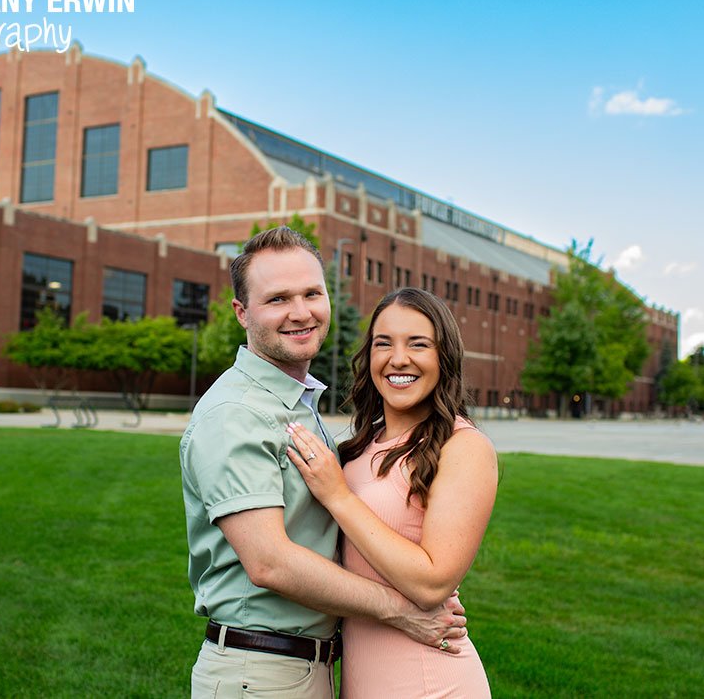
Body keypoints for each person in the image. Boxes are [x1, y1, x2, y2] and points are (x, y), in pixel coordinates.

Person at [181, 228, 468, 698]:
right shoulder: (235, 414)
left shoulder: (294, 404)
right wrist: (399, 609)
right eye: (277, 299)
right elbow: (270, 563)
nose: (301, 312)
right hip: (261, 672)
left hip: (303, 668)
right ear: (242, 312)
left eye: (312, 293)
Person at [286, 287, 499, 698]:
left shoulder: (463, 446)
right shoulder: (362, 446)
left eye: (418, 344)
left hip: (430, 681)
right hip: (362, 681)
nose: (398, 359)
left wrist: (339, 497)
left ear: (444, 357)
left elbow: (432, 583)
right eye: (384, 344)